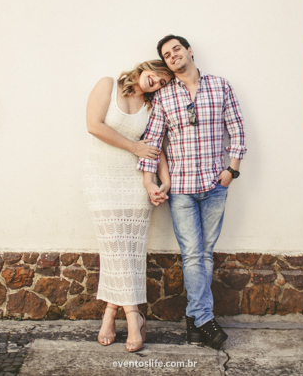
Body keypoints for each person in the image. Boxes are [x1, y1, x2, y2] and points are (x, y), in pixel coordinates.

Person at [138, 35, 246, 350]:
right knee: (193, 254)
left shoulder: (221, 86)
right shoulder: (164, 97)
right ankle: (204, 319)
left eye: (177, 49)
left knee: (205, 254)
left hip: (216, 185)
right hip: (182, 190)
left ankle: (194, 321)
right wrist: (149, 181)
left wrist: (232, 170)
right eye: (167, 54)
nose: (173, 56)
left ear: (189, 52)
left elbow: (237, 129)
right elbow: (152, 142)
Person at [84, 60, 173, 352]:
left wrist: (163, 181)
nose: (157, 83)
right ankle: (133, 316)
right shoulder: (107, 85)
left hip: (135, 183)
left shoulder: (153, 105)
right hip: (102, 178)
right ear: (143, 67)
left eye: (163, 82)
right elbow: (93, 126)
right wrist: (134, 147)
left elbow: (155, 144)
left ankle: (110, 314)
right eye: (156, 76)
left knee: (130, 250)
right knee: (113, 247)